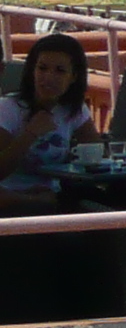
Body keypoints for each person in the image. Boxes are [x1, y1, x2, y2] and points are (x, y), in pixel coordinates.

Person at [0, 33, 95, 209]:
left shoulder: (74, 110)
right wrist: (30, 133)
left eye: (60, 71)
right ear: (32, 71)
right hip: (9, 195)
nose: (49, 77)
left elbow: (96, 153)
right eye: (42, 68)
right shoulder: (8, 108)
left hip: (53, 193)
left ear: (74, 76)